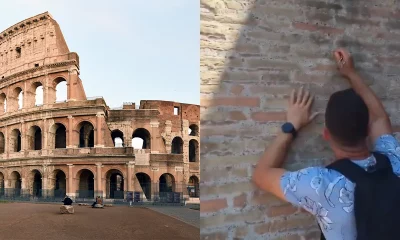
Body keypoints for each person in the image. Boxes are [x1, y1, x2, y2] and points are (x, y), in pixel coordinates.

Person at [252, 48, 398, 239]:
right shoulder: (394, 159)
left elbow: (262, 174)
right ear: (368, 131)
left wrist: (292, 126)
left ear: (326, 134)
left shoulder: (322, 185)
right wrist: (351, 73)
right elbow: (379, 118)